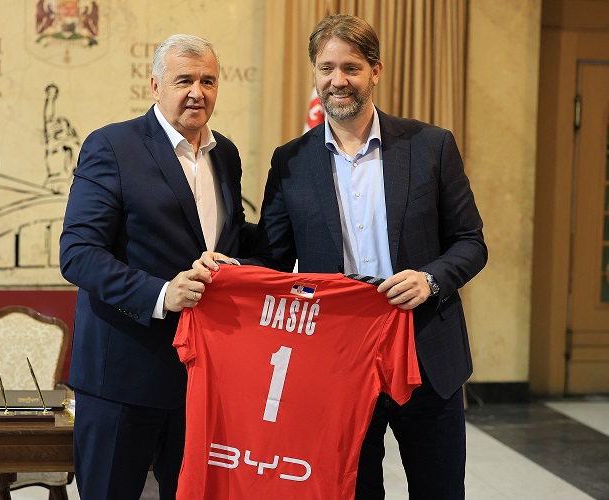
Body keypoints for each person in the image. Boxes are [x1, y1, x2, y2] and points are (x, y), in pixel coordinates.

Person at [197, 14, 487, 499]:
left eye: (351, 67)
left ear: (375, 71)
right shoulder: (290, 161)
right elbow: (273, 258)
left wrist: (430, 279)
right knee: (351, 492)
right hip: (337, 363)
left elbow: (471, 242)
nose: (339, 80)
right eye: (327, 68)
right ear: (315, 73)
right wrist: (231, 273)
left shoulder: (431, 146)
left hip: (426, 352)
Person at [60, 34, 254, 499]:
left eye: (208, 81)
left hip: (203, 378)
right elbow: (78, 253)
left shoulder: (225, 154)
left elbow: (226, 240)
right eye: (184, 80)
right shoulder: (112, 145)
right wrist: (163, 294)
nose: (197, 92)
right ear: (155, 85)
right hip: (122, 378)